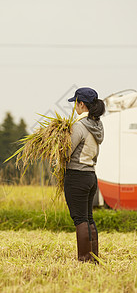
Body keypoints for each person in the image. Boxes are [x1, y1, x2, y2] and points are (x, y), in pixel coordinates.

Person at [64, 87, 105, 262]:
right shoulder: (97, 125)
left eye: (76, 103)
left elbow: (66, 152)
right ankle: (93, 257)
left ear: (81, 104)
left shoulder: (79, 126)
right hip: (90, 176)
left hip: (77, 176)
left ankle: (84, 258)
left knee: (80, 218)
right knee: (88, 217)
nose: (75, 107)